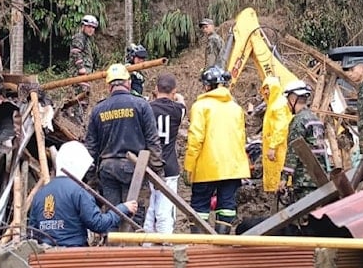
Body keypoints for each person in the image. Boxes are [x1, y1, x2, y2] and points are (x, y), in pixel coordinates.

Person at [28, 141, 138, 247]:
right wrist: (122, 208)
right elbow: (98, 224)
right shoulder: (79, 191)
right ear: (79, 165)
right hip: (74, 257)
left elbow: (32, 232)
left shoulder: (40, 194)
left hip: (44, 257)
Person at [84, 63, 164, 206]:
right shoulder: (141, 105)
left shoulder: (98, 109)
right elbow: (152, 140)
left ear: (109, 86)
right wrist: (157, 170)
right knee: (135, 217)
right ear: (129, 83)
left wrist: (91, 176)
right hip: (135, 169)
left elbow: (91, 147)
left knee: (112, 215)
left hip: (107, 169)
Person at [184, 66, 249, 234]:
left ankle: (199, 245)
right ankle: (222, 244)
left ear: (207, 86)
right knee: (227, 206)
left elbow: (195, 139)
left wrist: (189, 167)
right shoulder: (236, 108)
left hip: (207, 166)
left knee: (200, 205)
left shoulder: (200, 106)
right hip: (232, 168)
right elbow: (241, 138)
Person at [144, 73, 186, 235]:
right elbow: (182, 104)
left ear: (156, 89)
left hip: (149, 166)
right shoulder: (178, 110)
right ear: (173, 91)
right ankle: (166, 243)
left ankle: (147, 243)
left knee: (150, 207)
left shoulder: (146, 109)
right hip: (169, 166)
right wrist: (178, 97)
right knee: (166, 209)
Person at [283, 80, 326, 201]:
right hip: (320, 177)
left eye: (288, 100)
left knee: (306, 216)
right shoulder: (315, 119)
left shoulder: (298, 121)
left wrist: (284, 178)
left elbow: (293, 151)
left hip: (305, 180)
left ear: (292, 99)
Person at [260, 76, 292, 193]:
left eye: (268, 88)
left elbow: (281, 128)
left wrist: (273, 146)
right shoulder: (273, 104)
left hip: (278, 149)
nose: (266, 92)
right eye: (264, 89)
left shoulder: (278, 105)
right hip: (274, 148)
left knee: (279, 176)